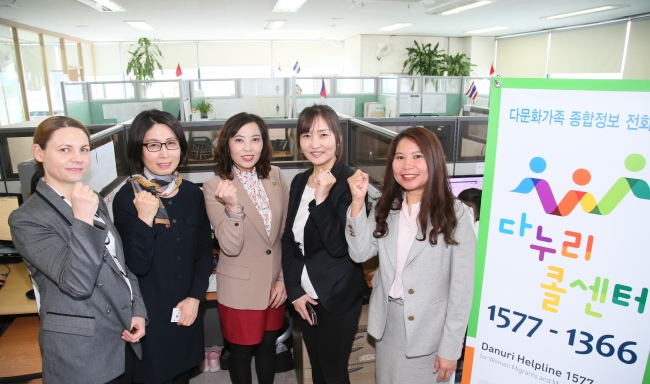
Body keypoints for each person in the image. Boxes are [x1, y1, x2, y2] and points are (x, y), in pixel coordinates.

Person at [9, 116, 147, 384]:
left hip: (121, 331)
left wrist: (137, 309)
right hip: (80, 351)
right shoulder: (27, 219)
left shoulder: (90, 197)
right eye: (64, 150)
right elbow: (78, 283)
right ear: (39, 153)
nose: (78, 158)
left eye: (83, 149)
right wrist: (82, 220)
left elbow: (118, 264)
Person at [346, 126, 476, 384]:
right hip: (389, 325)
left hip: (431, 331)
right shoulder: (388, 206)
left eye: (418, 156)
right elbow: (360, 252)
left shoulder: (457, 214)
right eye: (400, 157)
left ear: (434, 161)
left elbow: (462, 288)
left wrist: (451, 347)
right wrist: (358, 203)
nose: (408, 165)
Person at [113, 109, 214, 384]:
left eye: (171, 143)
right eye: (154, 145)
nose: (164, 153)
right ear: (139, 149)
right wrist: (145, 219)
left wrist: (195, 297)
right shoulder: (128, 198)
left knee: (182, 375)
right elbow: (136, 265)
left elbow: (204, 253)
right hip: (150, 317)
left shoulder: (193, 193)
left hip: (187, 310)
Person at [281, 104, 368, 384]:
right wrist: (295, 292)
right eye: (307, 136)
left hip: (337, 295)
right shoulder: (297, 181)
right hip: (305, 295)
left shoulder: (350, 182)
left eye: (323, 135)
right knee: (317, 368)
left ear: (338, 139)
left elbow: (340, 247)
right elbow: (288, 241)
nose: (315, 144)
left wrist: (320, 199)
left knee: (333, 372)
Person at [203, 112, 289, 384]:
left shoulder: (275, 175)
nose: (248, 147)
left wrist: (284, 278)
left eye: (255, 139)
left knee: (268, 347)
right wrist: (232, 209)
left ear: (264, 143)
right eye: (239, 140)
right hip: (240, 288)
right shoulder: (215, 186)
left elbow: (285, 234)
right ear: (227, 144)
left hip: (274, 284)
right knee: (240, 353)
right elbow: (228, 246)